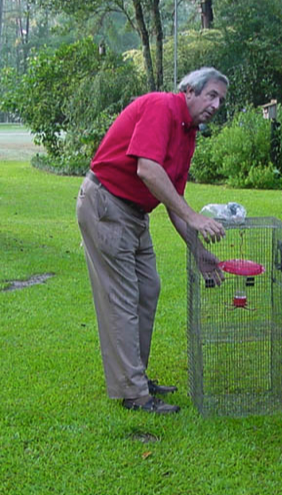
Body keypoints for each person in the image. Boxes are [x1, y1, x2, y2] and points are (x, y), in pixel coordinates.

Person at [76, 67, 229, 414]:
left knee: (149, 288)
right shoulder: (162, 107)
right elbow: (147, 169)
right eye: (212, 95)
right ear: (189, 90)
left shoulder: (188, 133)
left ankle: (136, 376)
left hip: (135, 214)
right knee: (122, 297)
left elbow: (172, 197)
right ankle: (133, 393)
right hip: (106, 204)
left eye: (221, 99)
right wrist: (195, 216)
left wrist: (199, 252)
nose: (217, 105)